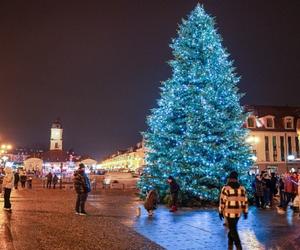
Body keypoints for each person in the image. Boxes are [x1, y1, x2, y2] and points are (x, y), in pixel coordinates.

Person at [219, 171, 248, 250]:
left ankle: (239, 247)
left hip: (228, 212)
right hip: (238, 213)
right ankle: (230, 243)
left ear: (229, 178)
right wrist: (245, 211)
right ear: (237, 178)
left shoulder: (225, 188)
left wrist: (220, 211)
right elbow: (245, 201)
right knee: (233, 228)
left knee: (233, 229)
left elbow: (222, 201)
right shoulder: (242, 188)